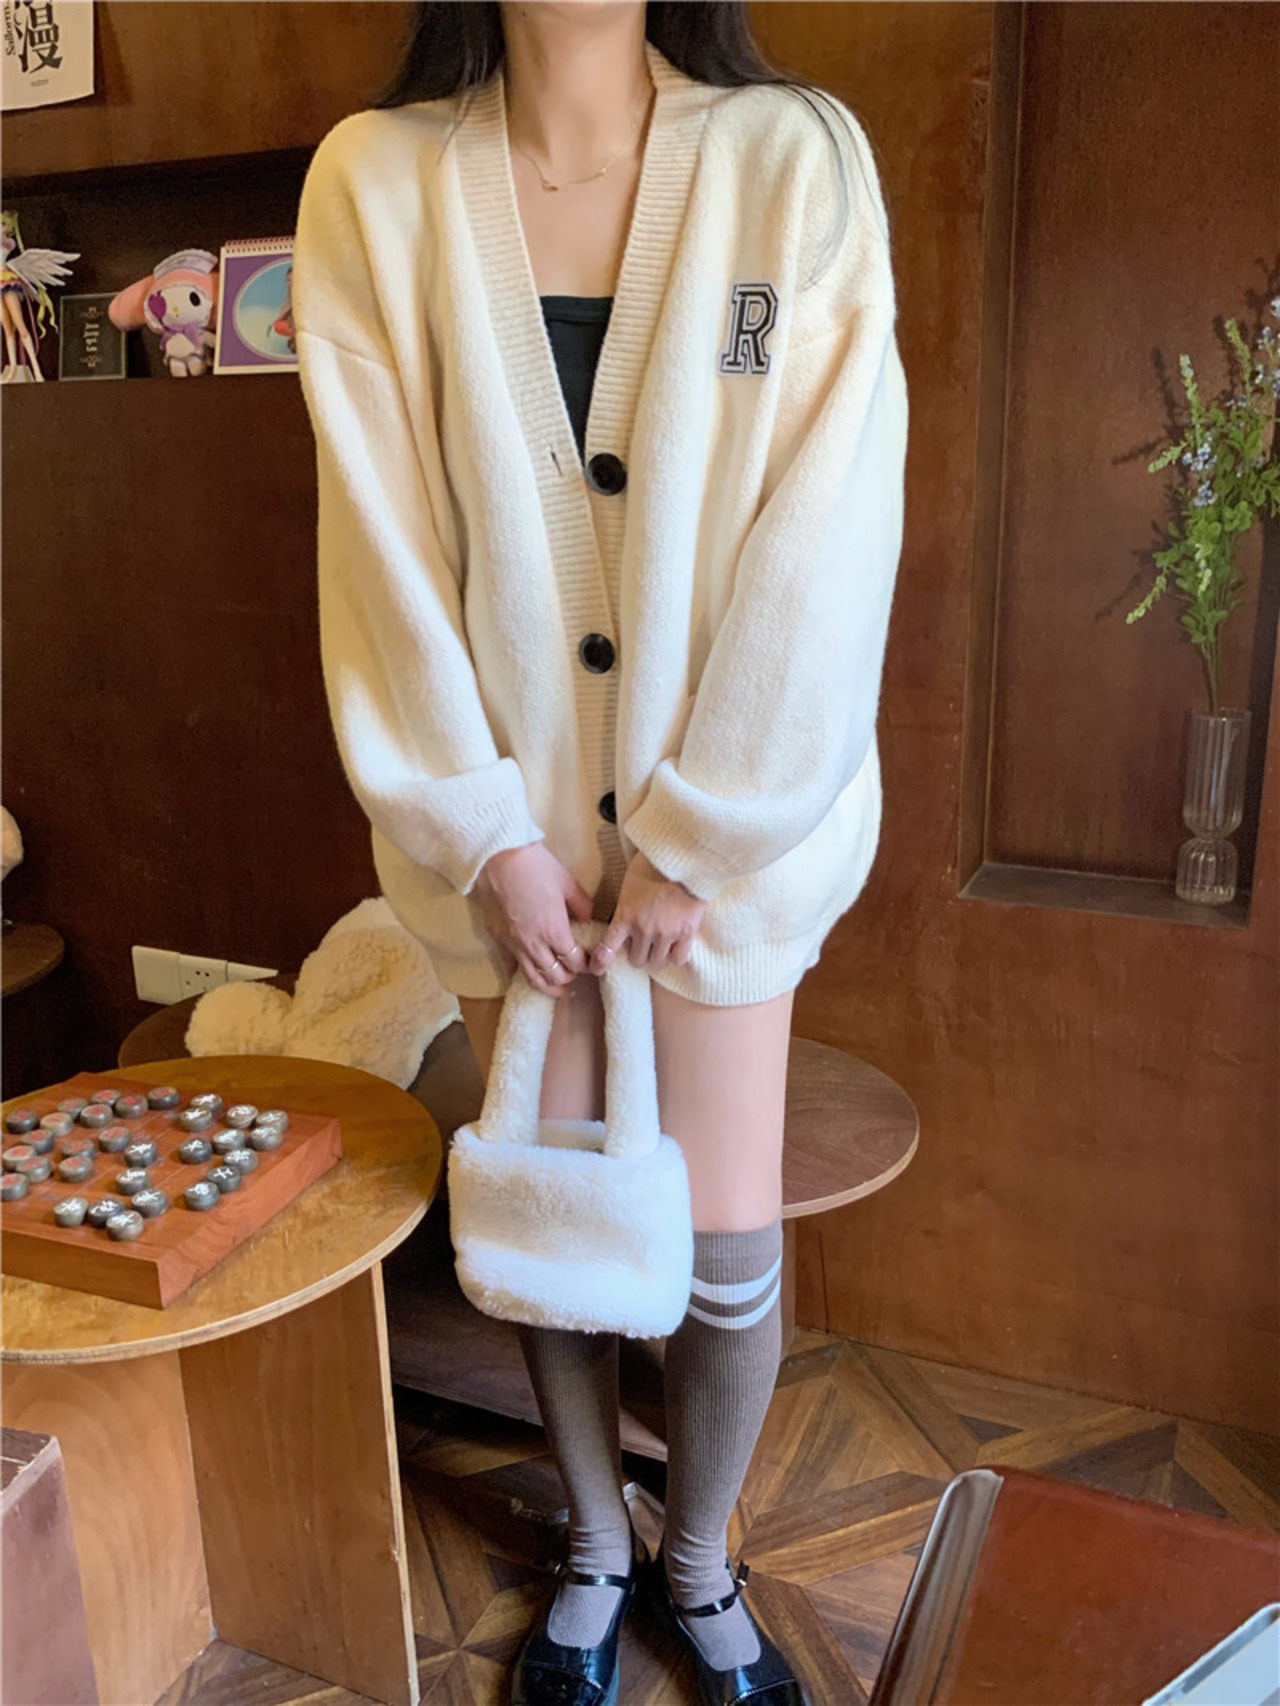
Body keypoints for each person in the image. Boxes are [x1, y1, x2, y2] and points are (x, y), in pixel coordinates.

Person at [292, 3, 908, 1702]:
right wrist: (482, 829)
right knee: (542, 1207)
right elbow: (376, 542)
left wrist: (705, 830)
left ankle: (697, 1560)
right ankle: (592, 1539)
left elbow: (834, 518)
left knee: (724, 1247)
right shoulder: (373, 183)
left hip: (728, 850)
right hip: (510, 853)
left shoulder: (791, 163)